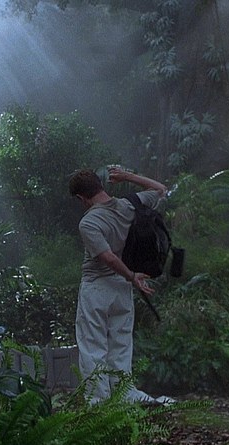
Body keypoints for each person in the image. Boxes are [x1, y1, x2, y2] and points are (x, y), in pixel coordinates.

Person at [68, 166, 173, 405]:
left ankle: (99, 401)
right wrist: (128, 177)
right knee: (121, 343)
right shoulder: (129, 205)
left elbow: (107, 257)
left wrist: (131, 276)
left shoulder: (89, 222)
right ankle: (124, 394)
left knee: (93, 344)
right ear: (100, 185)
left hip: (97, 287)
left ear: (81, 198)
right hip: (121, 288)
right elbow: (160, 189)